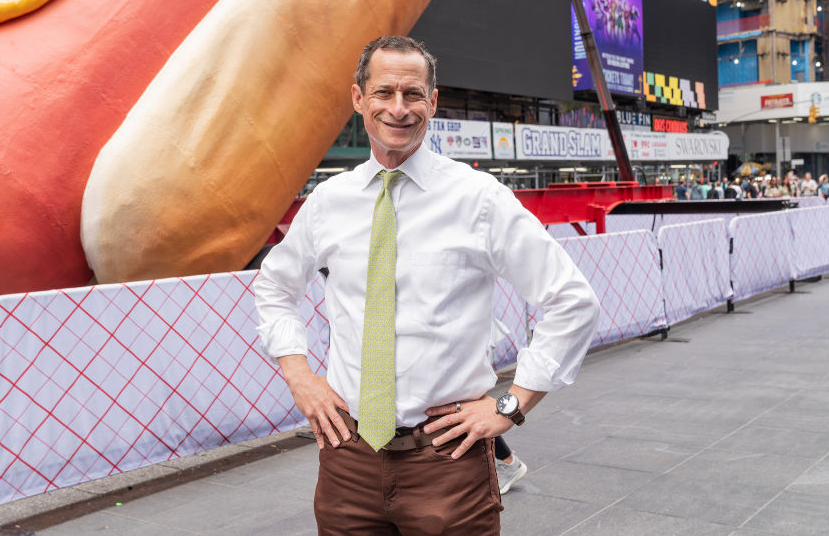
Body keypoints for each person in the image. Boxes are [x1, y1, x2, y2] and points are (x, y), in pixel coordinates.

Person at [253, 36, 600, 534]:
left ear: (432, 102)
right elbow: (275, 286)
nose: (399, 108)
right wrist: (299, 376)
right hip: (347, 460)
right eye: (384, 93)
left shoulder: (479, 199)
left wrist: (509, 406)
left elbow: (572, 300)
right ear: (358, 99)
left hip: (447, 463)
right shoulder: (331, 201)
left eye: (413, 94)